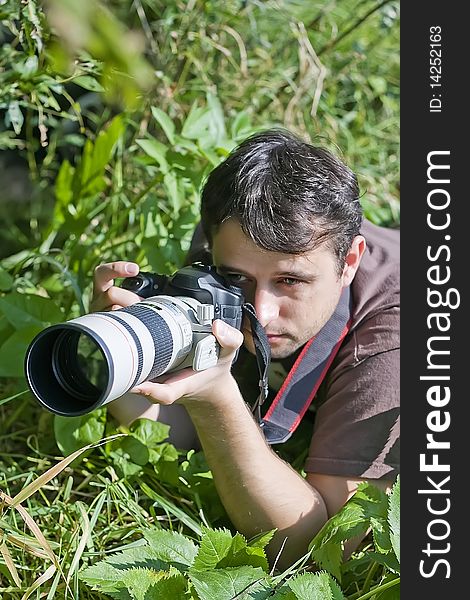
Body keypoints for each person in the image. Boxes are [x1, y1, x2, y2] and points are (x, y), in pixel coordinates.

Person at [90, 129, 399, 568]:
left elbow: (327, 550)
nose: (262, 312)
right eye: (237, 280)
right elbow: (172, 432)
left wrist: (218, 398)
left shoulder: (392, 335)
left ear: (348, 262)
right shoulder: (233, 242)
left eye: (290, 281)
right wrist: (115, 344)